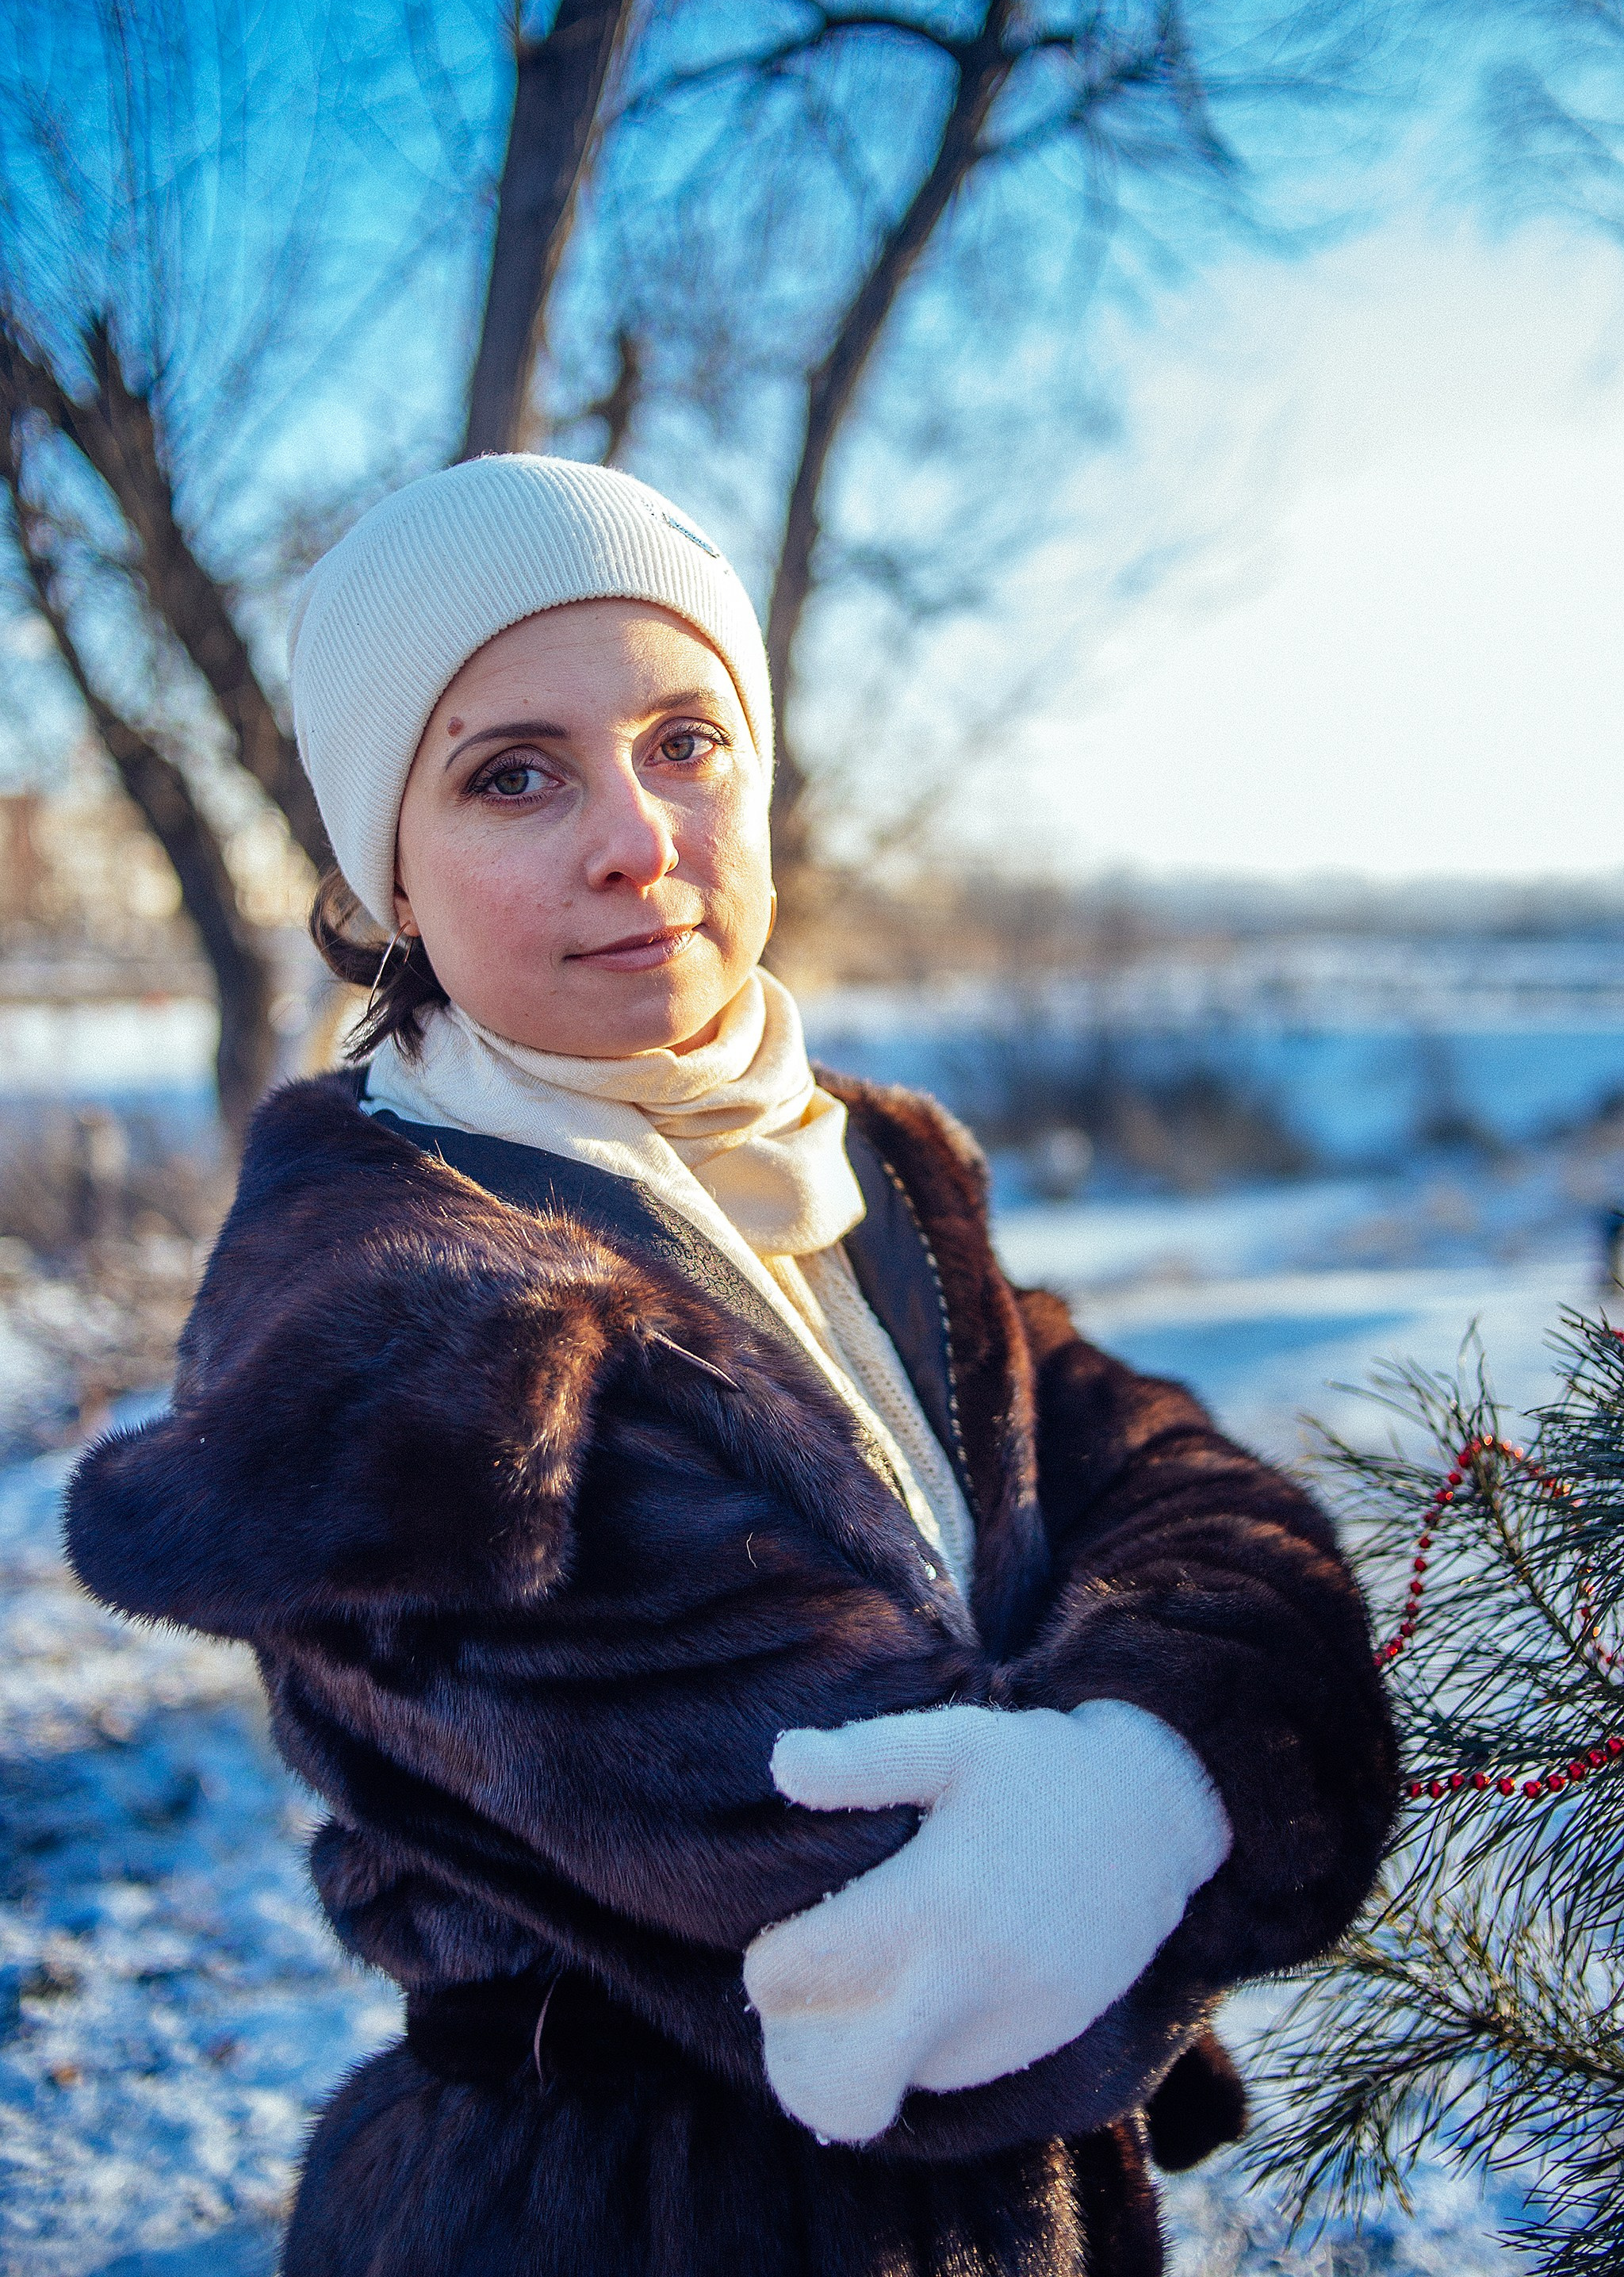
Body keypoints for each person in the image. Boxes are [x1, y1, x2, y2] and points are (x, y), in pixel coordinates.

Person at [66, 456, 1396, 2277]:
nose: (637, 837)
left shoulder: (868, 1169)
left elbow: (1185, 1484)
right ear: (388, 872)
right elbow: (936, 1972)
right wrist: (1204, 1752)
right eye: (513, 773)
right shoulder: (402, 1332)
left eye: (686, 741)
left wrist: (1146, 1781)